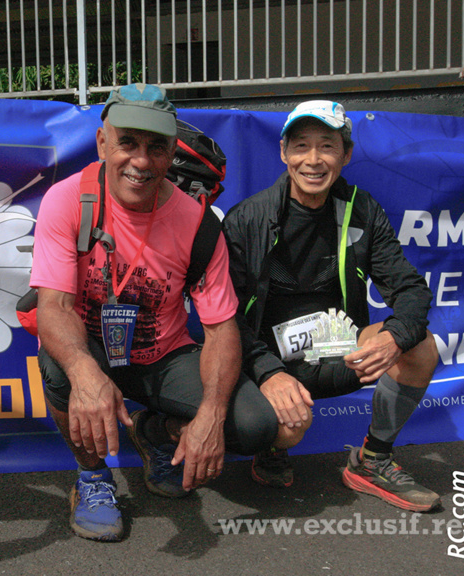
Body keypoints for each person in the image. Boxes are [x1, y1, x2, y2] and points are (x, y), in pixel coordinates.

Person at [30, 83, 304, 542]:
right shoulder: (67, 201)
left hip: (162, 356)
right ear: (103, 142)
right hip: (92, 348)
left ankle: (155, 433)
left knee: (256, 425)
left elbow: (220, 329)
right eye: (128, 143)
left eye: (156, 147)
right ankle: (93, 478)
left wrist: (211, 417)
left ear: (170, 152)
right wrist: (84, 371)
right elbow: (53, 306)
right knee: (61, 366)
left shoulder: (198, 223)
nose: (141, 161)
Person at [223, 100, 441, 512]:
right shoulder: (247, 219)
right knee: (288, 429)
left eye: (327, 145)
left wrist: (396, 336)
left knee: (420, 344)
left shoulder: (362, 209)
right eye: (302, 146)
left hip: (340, 354)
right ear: (284, 151)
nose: (314, 159)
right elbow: (224, 316)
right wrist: (267, 372)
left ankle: (372, 460)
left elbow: (410, 288)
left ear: (346, 154)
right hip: (271, 366)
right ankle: (271, 446)